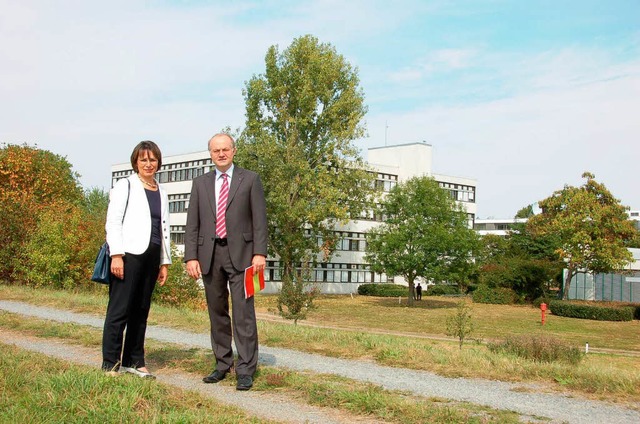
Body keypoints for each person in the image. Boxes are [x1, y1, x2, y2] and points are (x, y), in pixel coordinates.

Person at [185, 133, 267, 391]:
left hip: (244, 257)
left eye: (225, 149)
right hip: (210, 255)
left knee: (243, 314)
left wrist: (260, 253)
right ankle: (222, 364)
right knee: (217, 312)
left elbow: (259, 220)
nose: (221, 154)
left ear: (234, 151)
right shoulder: (200, 183)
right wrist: (191, 257)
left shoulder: (250, 179)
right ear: (210, 153)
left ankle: (245, 369)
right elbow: (192, 224)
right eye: (215, 150)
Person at [101, 140, 171, 378]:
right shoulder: (126, 185)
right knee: (119, 310)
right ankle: (110, 363)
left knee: (141, 310)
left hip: (152, 256)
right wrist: (117, 255)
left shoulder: (161, 190)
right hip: (128, 255)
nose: (148, 164)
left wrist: (164, 262)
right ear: (136, 162)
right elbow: (113, 221)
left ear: (158, 163)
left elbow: (162, 228)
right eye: (143, 159)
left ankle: (134, 360)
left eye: (152, 159)